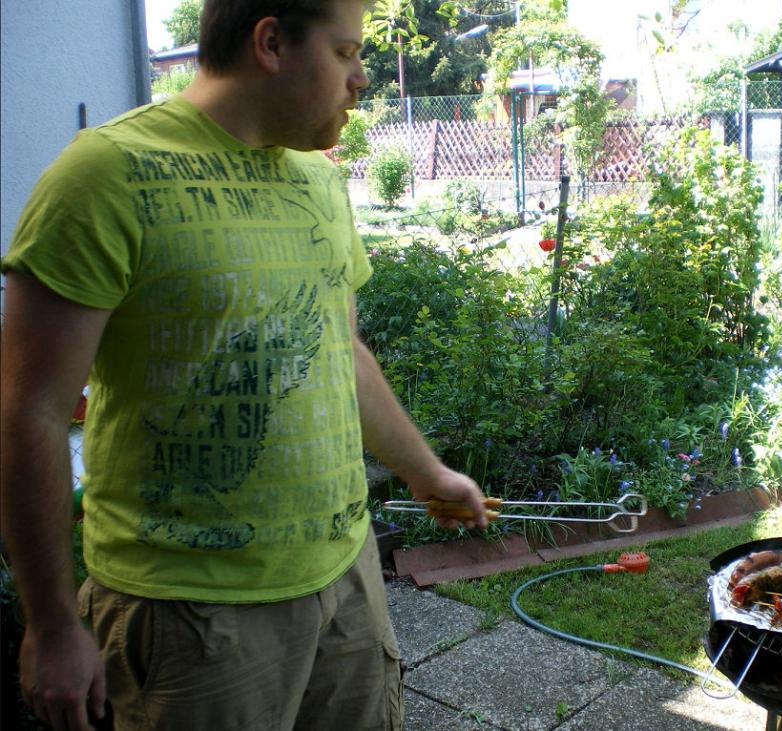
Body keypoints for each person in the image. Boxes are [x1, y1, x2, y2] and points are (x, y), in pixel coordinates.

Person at [0, 1, 490, 729]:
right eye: (346, 52)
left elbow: (340, 351)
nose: (362, 79)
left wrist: (426, 472)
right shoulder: (106, 173)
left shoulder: (318, 178)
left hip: (347, 587)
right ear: (270, 42)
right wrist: (49, 623)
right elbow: (29, 411)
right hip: (191, 619)